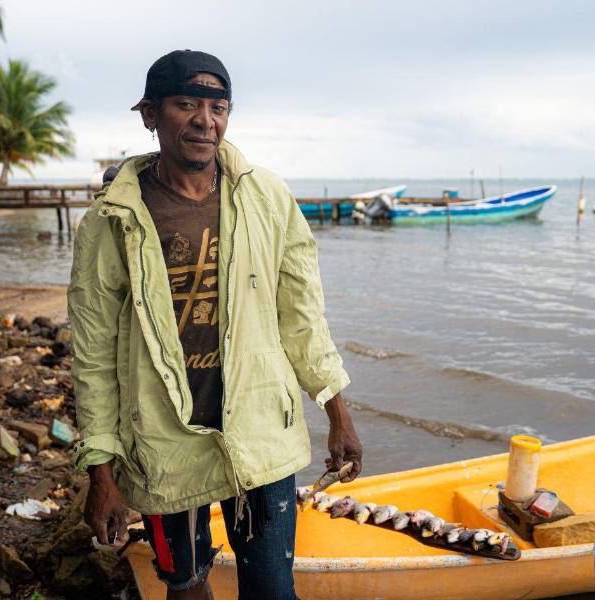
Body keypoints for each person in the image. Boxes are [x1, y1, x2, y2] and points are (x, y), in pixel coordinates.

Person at [68, 49, 362, 600]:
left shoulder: (267, 198)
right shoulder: (111, 221)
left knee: (272, 590)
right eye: (187, 104)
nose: (205, 121)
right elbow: (94, 352)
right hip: (162, 443)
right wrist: (101, 470)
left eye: (218, 107)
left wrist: (337, 412)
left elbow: (302, 317)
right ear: (150, 114)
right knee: (185, 587)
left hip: (259, 434)